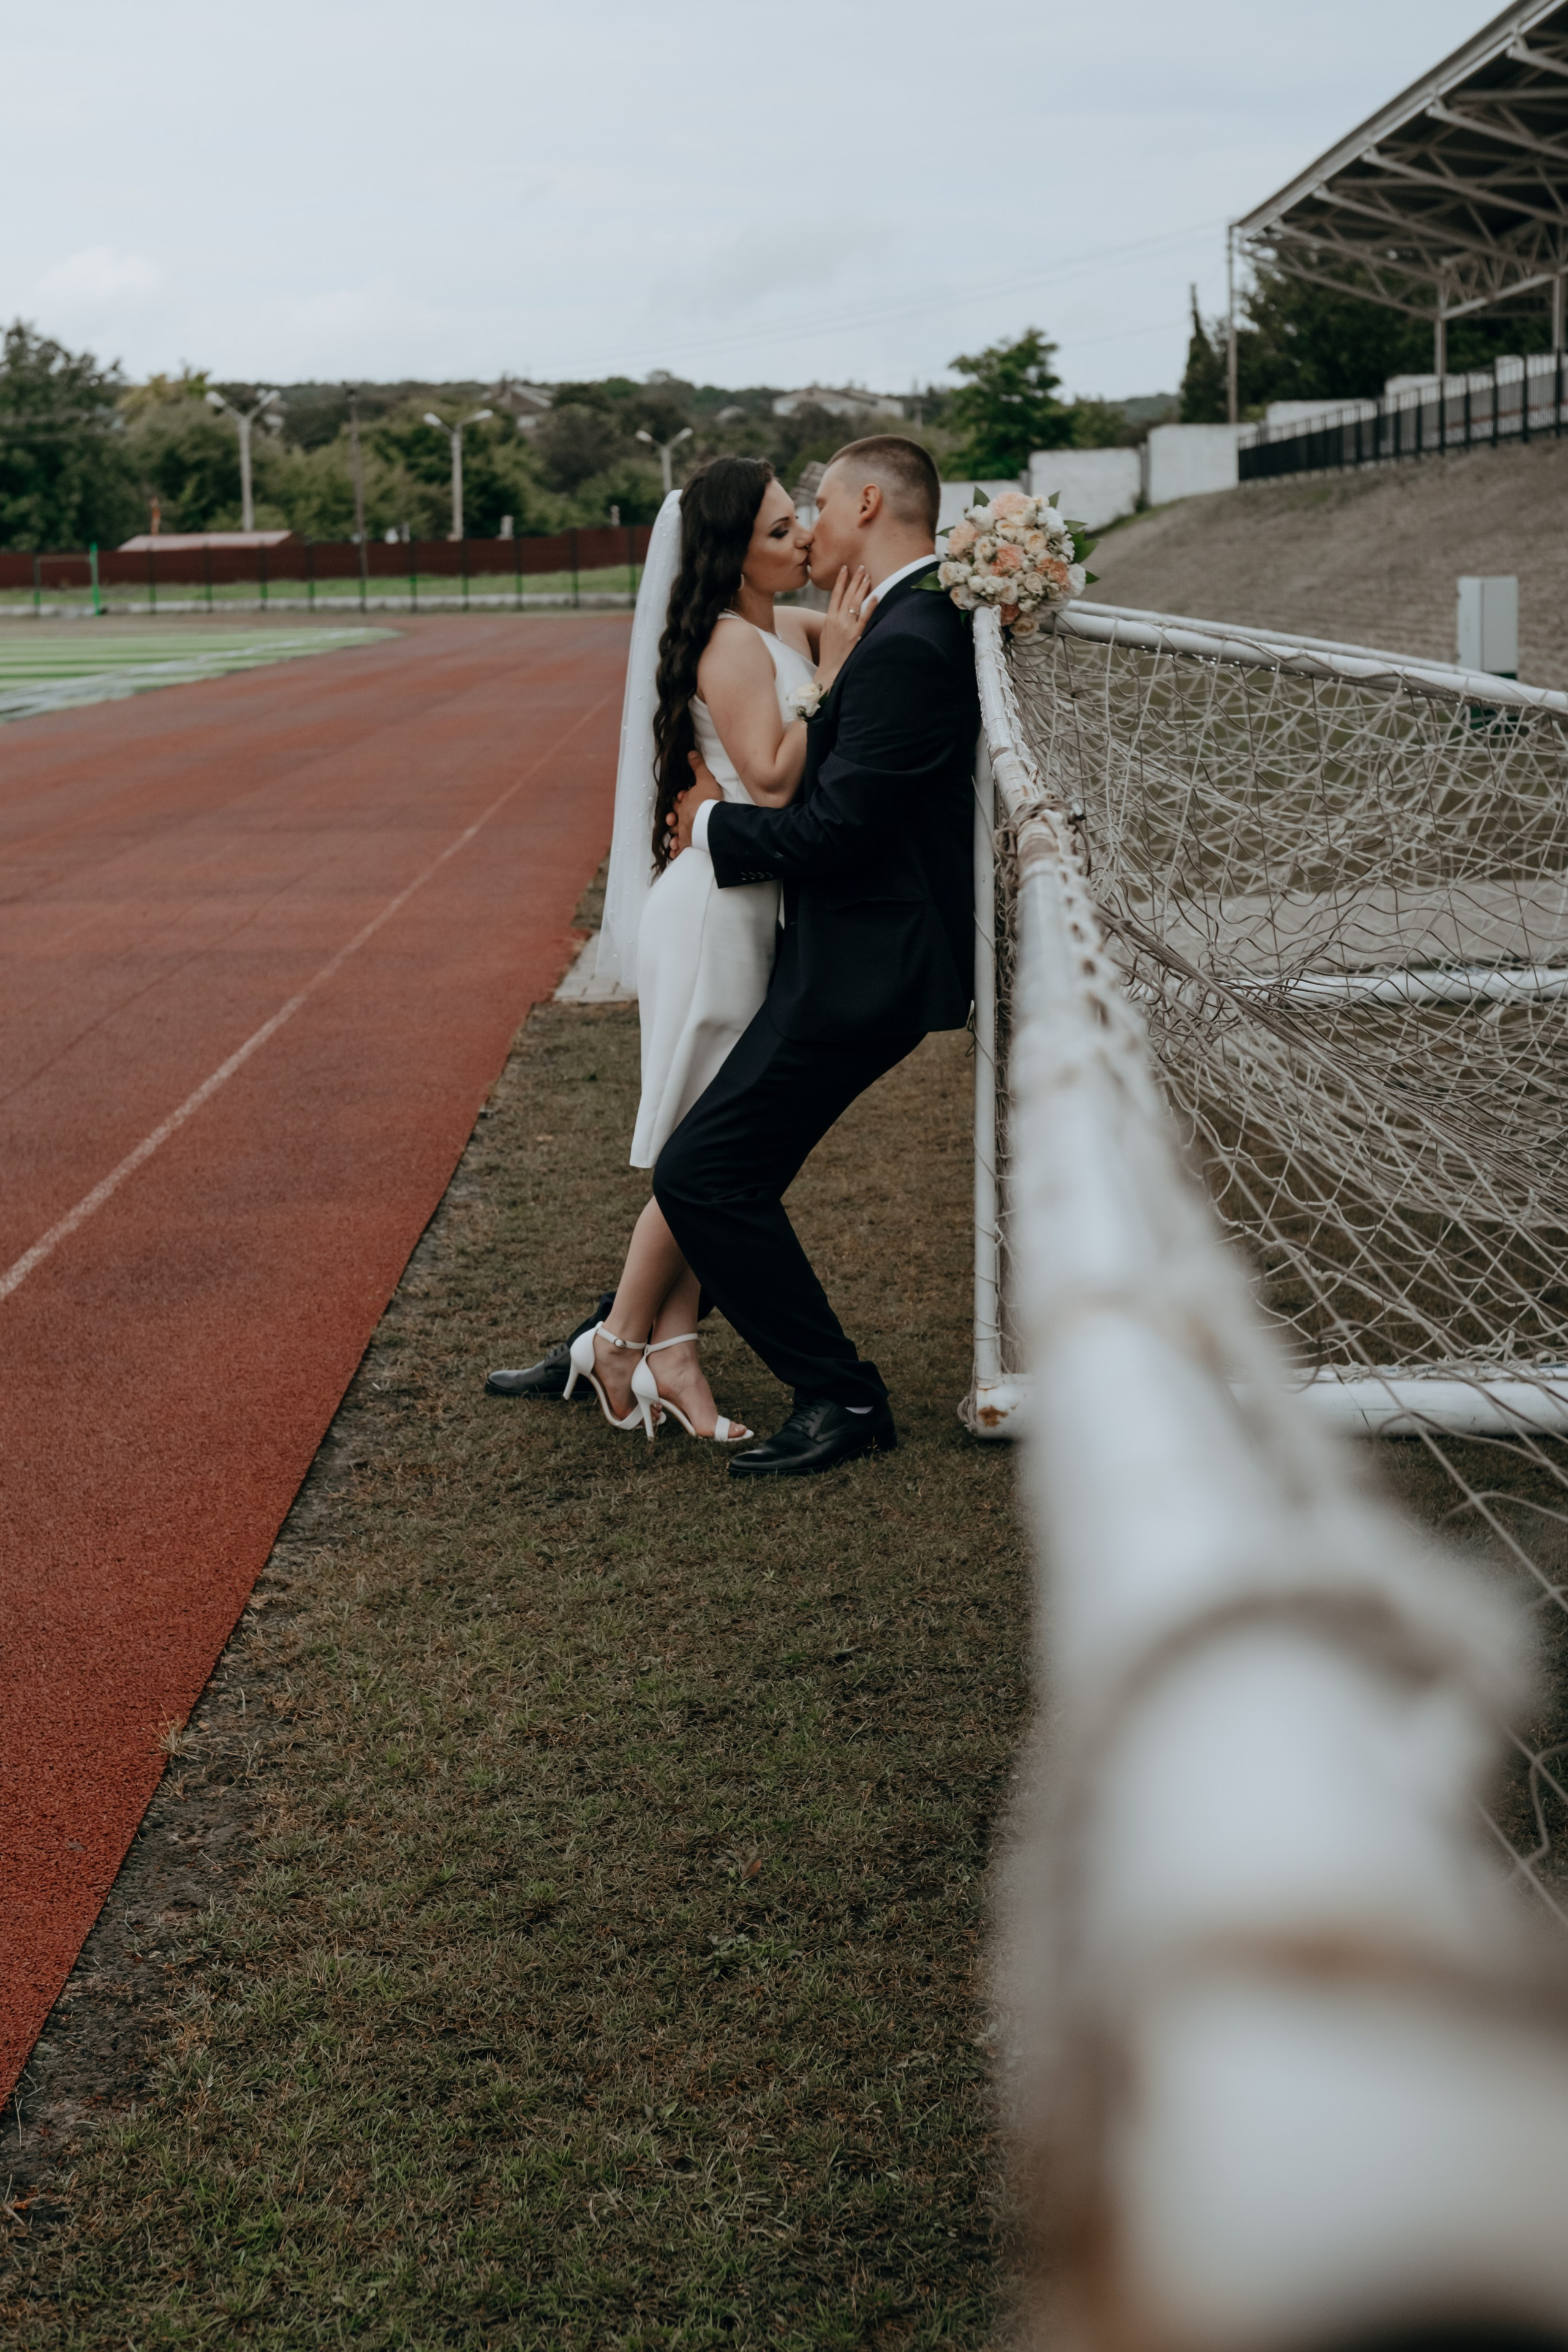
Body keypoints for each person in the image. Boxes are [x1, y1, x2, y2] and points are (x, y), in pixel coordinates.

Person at [486, 456, 869, 1438]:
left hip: (746, 901)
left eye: (802, 524)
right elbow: (777, 782)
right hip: (717, 915)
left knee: (718, 1149)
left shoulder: (771, 625)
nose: (804, 542)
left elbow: (859, 624)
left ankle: (662, 1350)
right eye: (784, 530)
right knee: (708, 1149)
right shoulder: (733, 647)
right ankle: (624, 1342)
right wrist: (828, 678)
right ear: (730, 548)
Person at [653, 435, 979, 1477]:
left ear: (868, 503)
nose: (811, 528)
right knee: (724, 1161)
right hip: (844, 950)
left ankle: (839, 1393)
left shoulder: (911, 638)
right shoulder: (899, 619)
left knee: (703, 1172)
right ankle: (626, 1336)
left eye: (820, 508)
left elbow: (837, 834)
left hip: (863, 966)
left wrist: (708, 827)